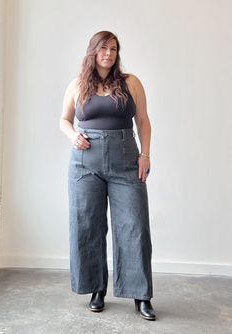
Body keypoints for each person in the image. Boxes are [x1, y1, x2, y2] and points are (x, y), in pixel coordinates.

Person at [59, 31, 156, 321]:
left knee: (134, 226)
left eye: (113, 48)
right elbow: (64, 120)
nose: (109, 53)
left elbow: (143, 121)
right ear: (93, 51)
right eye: (103, 48)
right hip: (85, 162)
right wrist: (73, 135)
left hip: (126, 158)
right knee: (87, 224)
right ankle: (96, 289)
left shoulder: (131, 83)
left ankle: (141, 295)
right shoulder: (77, 85)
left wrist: (145, 155)